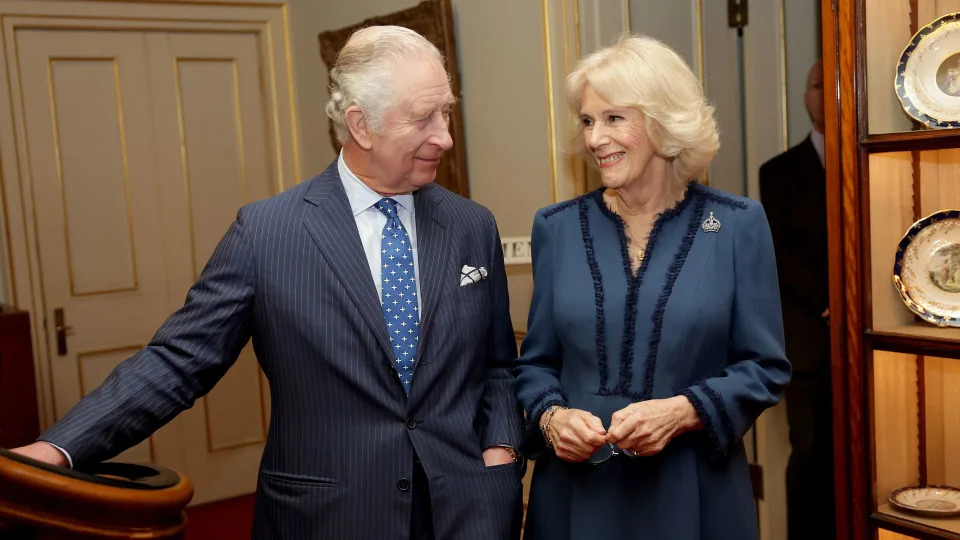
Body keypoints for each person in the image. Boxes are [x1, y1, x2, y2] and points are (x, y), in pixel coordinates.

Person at [13, 25, 525, 540]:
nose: (445, 136)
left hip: (465, 511)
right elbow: (179, 359)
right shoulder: (267, 232)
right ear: (361, 126)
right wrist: (58, 448)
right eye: (423, 118)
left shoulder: (470, 224)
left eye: (446, 112)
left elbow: (498, 364)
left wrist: (500, 451)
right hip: (327, 516)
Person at [513, 35, 791, 540]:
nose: (595, 138)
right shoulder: (556, 227)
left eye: (614, 118)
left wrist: (683, 411)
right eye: (587, 121)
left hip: (694, 493)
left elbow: (764, 368)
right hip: (578, 497)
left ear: (665, 122)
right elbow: (535, 363)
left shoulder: (736, 225)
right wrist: (551, 418)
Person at [759, 59, 834, 540]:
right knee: (810, 454)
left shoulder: (879, 160)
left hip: (873, 339)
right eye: (816, 85)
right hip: (808, 341)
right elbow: (779, 252)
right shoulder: (779, 172)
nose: (826, 94)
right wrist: (832, 303)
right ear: (805, 95)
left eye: (835, 84)